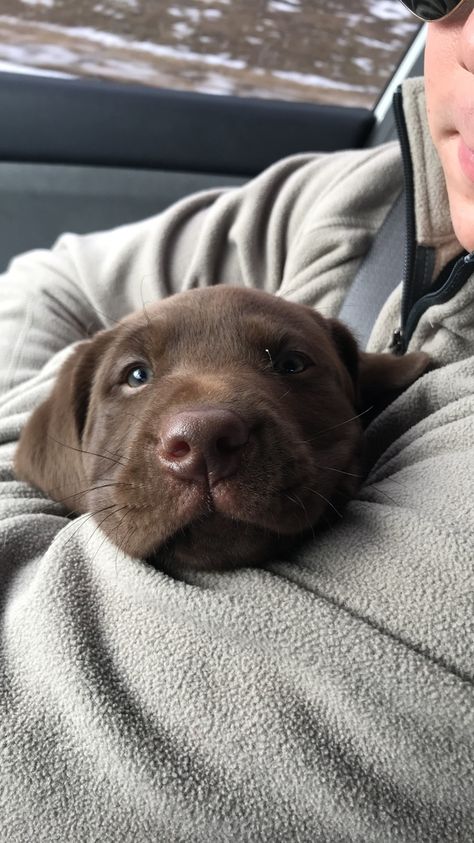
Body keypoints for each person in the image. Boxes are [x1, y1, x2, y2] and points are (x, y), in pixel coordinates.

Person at [0, 1, 472, 840]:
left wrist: (86, 418)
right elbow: (46, 283)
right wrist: (74, 396)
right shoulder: (354, 195)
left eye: (291, 364)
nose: (199, 426)